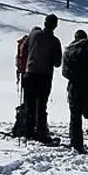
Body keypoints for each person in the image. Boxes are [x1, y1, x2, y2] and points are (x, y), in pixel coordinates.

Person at [22, 14, 62, 142]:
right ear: (55, 26)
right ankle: (41, 133)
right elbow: (57, 63)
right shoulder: (55, 41)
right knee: (41, 105)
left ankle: (28, 132)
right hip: (44, 75)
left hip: (30, 72)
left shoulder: (33, 35)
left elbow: (24, 48)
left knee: (29, 104)